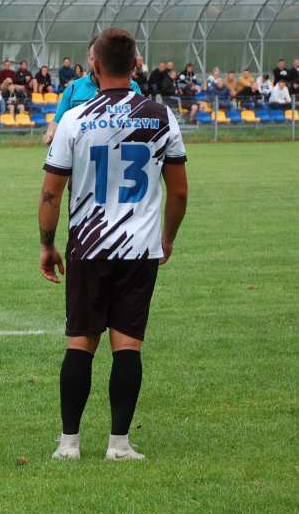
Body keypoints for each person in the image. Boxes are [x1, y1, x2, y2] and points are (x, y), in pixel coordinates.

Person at [40, 27, 188, 462]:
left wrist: (47, 244)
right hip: (139, 249)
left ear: (95, 66)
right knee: (128, 345)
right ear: (137, 66)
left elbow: (51, 194)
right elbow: (178, 192)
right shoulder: (160, 116)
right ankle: (119, 444)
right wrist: (167, 237)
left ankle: (69, 444)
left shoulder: (75, 118)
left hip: (87, 246)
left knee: (80, 342)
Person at [42, 36, 142, 144]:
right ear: (88, 59)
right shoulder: (74, 88)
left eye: (101, 59)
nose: (96, 63)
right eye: (92, 58)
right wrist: (50, 133)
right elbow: (58, 119)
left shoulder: (132, 87)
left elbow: (142, 120)